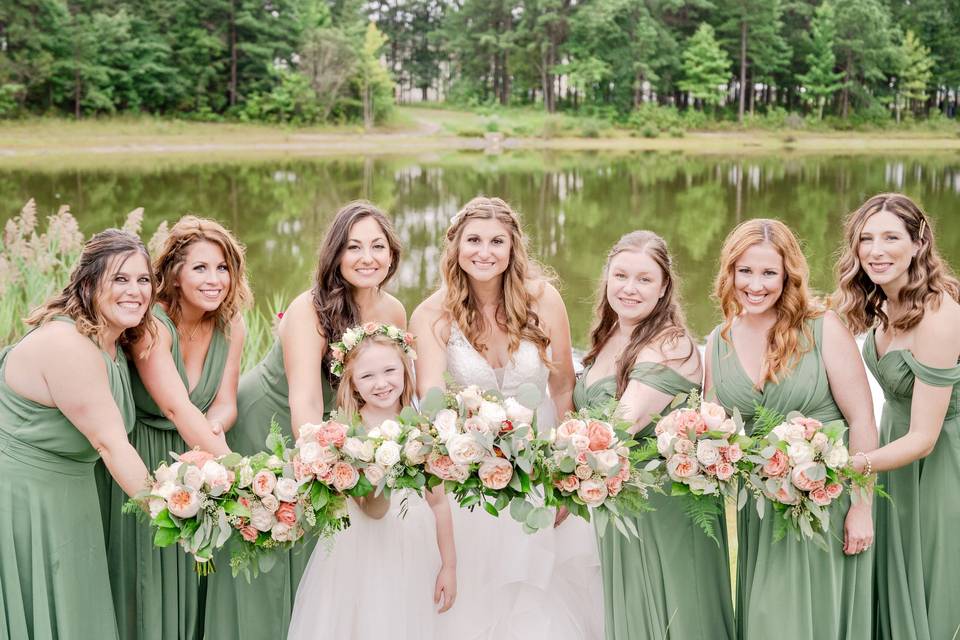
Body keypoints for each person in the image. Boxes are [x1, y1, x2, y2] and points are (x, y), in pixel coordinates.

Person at [205, 201, 406, 640]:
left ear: (392, 253)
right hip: (270, 425)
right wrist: (341, 464)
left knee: (322, 547)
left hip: (328, 433)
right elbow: (306, 410)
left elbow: (389, 393)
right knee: (269, 538)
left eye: (377, 245)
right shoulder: (309, 310)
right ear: (335, 255)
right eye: (353, 247)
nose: (366, 257)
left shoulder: (393, 312)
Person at [410, 195, 602, 639]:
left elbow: (563, 390)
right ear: (455, 246)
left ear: (514, 247)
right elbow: (433, 399)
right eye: (473, 240)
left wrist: (565, 474)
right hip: (468, 477)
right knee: (474, 595)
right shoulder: (432, 314)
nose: (485, 251)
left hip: (538, 470)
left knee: (540, 594)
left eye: (497, 241)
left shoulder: (543, 299)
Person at [704, 218, 876, 640]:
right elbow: (713, 426)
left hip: (824, 502)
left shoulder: (823, 328)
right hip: (759, 509)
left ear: (788, 276)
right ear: (729, 273)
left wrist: (861, 506)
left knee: (812, 618)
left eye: (768, 273)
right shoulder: (718, 339)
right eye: (745, 271)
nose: (756, 284)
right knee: (766, 617)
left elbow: (862, 421)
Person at [573, 230, 734, 640]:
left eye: (645, 279)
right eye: (621, 276)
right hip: (620, 499)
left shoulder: (672, 344)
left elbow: (621, 423)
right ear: (606, 278)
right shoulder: (607, 339)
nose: (629, 288)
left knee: (675, 612)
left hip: (664, 504)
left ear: (664, 288)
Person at [100, 216, 250, 640]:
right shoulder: (150, 324)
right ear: (175, 272)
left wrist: (212, 438)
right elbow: (174, 406)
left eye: (222, 268)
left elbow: (225, 403)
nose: (214, 279)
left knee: (195, 570)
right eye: (200, 268)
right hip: (143, 456)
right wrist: (240, 473)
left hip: (200, 455)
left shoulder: (231, 324)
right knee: (143, 574)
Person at [0, 229, 154, 639]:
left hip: (70, 500)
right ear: (88, 283)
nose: (135, 291)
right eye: (120, 279)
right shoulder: (68, 344)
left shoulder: (114, 345)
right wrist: (175, 511)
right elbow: (110, 444)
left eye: (143, 280)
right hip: (24, 503)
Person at [833, 193, 960, 640]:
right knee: (888, 574)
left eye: (891, 237)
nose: (876, 250)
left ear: (918, 242)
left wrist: (845, 466)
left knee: (930, 583)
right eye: (866, 239)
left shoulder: (941, 315)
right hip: (891, 451)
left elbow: (925, 436)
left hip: (941, 461)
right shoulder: (879, 304)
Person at [288, 324, 457, 639]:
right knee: (360, 616)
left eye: (390, 370)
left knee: (403, 617)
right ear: (352, 384)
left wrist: (449, 566)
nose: (381, 384)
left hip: (411, 542)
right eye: (367, 376)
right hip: (358, 545)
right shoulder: (345, 433)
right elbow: (359, 501)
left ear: (406, 371)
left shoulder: (422, 428)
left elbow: (439, 501)